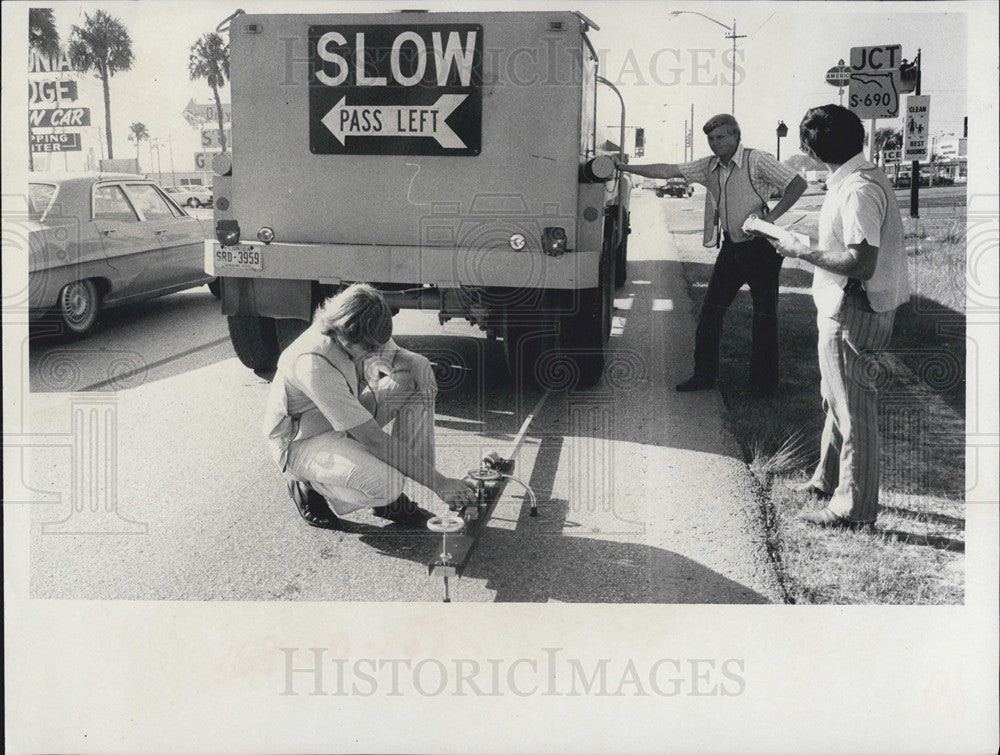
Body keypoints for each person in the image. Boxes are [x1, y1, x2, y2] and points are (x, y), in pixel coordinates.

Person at [762, 105, 909, 528]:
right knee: (835, 399)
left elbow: (860, 263)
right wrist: (804, 243)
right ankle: (826, 481)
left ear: (810, 149)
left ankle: (854, 509)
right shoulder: (858, 178)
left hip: (854, 309)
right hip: (850, 305)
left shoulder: (858, 189)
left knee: (854, 411)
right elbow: (850, 247)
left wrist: (798, 250)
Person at [613, 114, 807, 396]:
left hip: (761, 250)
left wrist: (772, 218)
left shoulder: (757, 160)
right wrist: (626, 167)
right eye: (711, 139)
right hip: (732, 249)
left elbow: (797, 183)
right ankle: (704, 376)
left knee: (765, 316)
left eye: (720, 138)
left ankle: (763, 387)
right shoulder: (708, 166)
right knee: (710, 314)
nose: (715, 144)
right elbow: (667, 170)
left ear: (735, 136)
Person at [263, 283, 477, 529]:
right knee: (387, 483)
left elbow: (399, 360)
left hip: (341, 422)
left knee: (418, 370)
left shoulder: (358, 330)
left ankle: (396, 475)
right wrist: (439, 483)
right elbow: (372, 438)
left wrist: (418, 364)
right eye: (370, 349)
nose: (377, 352)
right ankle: (306, 482)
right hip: (303, 441)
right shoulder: (313, 364)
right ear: (344, 334)